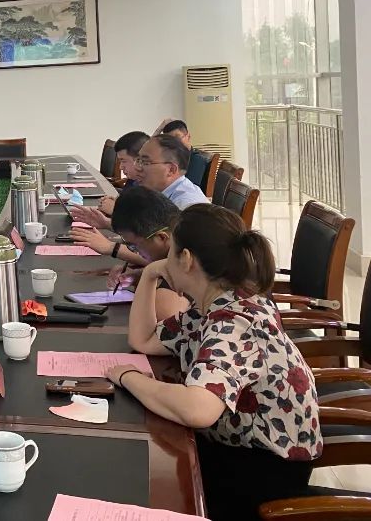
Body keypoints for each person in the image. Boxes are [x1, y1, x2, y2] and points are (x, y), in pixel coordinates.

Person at [106, 204, 321, 520]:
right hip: (237, 445)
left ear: (186, 259)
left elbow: (198, 409)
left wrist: (129, 377)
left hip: (263, 470)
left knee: (139, 482)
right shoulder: (215, 302)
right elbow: (144, 340)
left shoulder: (234, 322)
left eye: (171, 252)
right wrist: (151, 274)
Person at [71, 187, 188, 321]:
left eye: (134, 245)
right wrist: (138, 274)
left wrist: (147, 276)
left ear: (161, 237)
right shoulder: (185, 233)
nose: (135, 252)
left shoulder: (168, 299)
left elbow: (147, 332)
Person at [72, 130, 150, 229]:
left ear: (140, 160)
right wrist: (118, 202)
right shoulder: (134, 181)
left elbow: (146, 229)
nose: (121, 167)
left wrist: (117, 210)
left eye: (123, 161)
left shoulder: (154, 188)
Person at [135, 135, 209, 209]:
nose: (137, 168)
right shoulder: (157, 194)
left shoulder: (186, 206)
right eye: (138, 160)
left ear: (171, 170)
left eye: (145, 162)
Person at [160, 119, 208, 192]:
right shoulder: (173, 159)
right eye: (170, 140)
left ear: (188, 136)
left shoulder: (197, 160)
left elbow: (187, 190)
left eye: (177, 138)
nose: (174, 143)